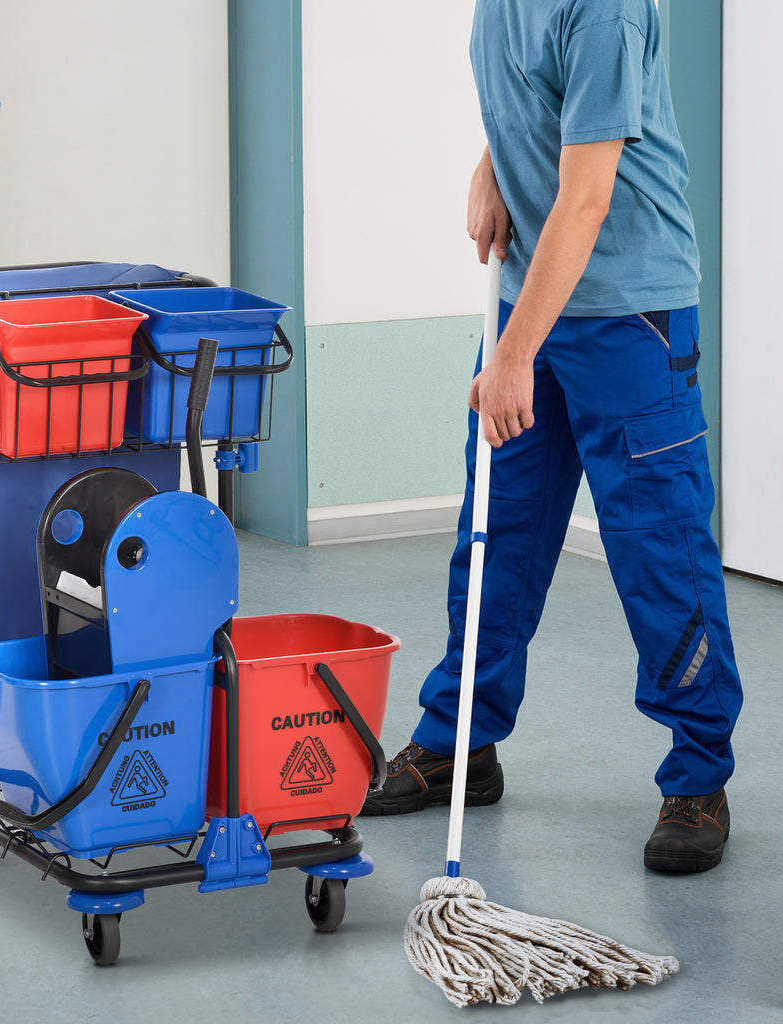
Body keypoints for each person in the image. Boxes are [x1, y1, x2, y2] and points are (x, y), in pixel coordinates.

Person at [361, 0, 743, 873]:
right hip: (533, 301)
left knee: (659, 549)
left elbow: (588, 194)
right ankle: (460, 742)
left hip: (629, 316)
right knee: (497, 535)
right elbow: (546, 108)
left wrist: (512, 356)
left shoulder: (603, 10)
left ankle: (698, 775)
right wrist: (494, 160)